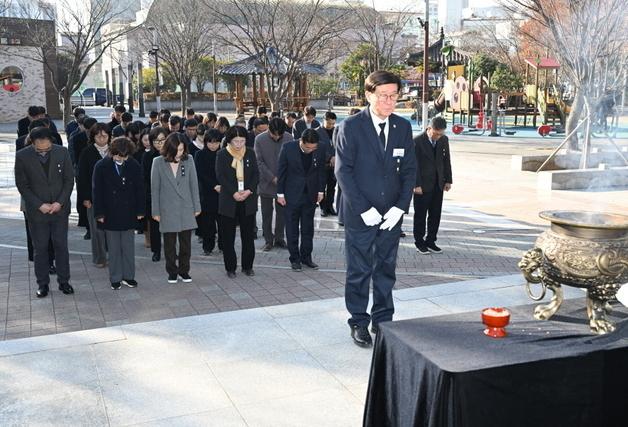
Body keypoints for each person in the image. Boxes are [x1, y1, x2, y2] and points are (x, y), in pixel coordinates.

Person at [334, 70, 416, 347]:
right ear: (369, 95)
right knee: (358, 270)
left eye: (394, 96)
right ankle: (359, 321)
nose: (389, 101)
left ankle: (383, 320)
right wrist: (363, 208)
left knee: (385, 268)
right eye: (383, 96)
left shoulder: (403, 128)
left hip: (390, 215)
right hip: (361, 214)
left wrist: (400, 208)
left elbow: (409, 171)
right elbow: (343, 172)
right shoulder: (351, 127)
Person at [14, 126, 75, 298]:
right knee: (40, 248)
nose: (44, 150)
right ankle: (42, 284)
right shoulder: (22, 156)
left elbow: (69, 180)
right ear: (32, 143)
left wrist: (60, 202)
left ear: (51, 141)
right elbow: (22, 185)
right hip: (37, 212)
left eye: (47, 147)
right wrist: (39, 204)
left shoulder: (62, 153)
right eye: (40, 148)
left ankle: (64, 282)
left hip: (60, 210)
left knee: (61, 246)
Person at [92, 137, 144, 290]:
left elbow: (140, 189)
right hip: (110, 212)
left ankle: (129, 276)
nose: (121, 159)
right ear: (112, 152)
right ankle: (115, 277)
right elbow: (97, 191)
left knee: (128, 247)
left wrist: (141, 210)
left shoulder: (133, 165)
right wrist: (99, 213)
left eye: (125, 156)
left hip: (129, 211)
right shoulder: (101, 166)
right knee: (113, 248)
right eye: (118, 156)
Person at [151, 132, 201, 283]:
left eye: (182, 149)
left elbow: (194, 185)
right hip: (167, 209)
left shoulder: (189, 160)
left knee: (186, 244)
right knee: (169, 245)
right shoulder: (158, 162)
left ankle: (184, 271)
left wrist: (197, 206)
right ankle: (172, 271)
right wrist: (156, 211)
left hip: (186, 208)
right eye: (177, 150)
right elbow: (155, 189)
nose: (180, 153)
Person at [277, 129, 326, 271]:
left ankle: (306, 257)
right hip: (291, 195)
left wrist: (321, 190)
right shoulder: (288, 148)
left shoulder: (320, 147)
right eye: (307, 147)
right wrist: (280, 194)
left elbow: (321, 171)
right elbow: (281, 171)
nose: (311, 150)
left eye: (313, 148)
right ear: (301, 141)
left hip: (310, 195)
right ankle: (295, 259)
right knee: (292, 229)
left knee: (308, 228)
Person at [215, 126, 259, 278]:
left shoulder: (250, 153)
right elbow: (221, 176)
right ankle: (230, 267)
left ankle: (248, 266)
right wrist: (233, 192)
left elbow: (255, 175)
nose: (239, 144)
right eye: (236, 141)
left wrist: (249, 190)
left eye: (242, 141)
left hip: (248, 200)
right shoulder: (222, 154)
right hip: (229, 200)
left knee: (248, 236)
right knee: (228, 237)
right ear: (229, 140)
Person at [413, 117, 452, 254]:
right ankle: (419, 242)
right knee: (420, 215)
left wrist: (448, 180)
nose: (438, 136)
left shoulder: (443, 140)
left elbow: (446, 160)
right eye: (436, 133)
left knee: (435, 214)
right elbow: (413, 166)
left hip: (438, 183)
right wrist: (416, 184)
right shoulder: (417, 141)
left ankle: (431, 241)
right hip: (422, 185)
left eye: (441, 133)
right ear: (429, 128)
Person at [254, 117, 291, 251]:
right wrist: (271, 177)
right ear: (269, 130)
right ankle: (268, 240)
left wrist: (283, 177)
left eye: (279, 135)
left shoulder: (289, 138)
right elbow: (259, 162)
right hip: (266, 183)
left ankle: (280, 238)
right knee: (266, 213)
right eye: (273, 134)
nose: (276, 137)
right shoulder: (259, 139)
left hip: (283, 183)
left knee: (282, 213)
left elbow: (291, 160)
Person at [77, 122, 110, 268]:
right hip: (93, 197)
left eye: (105, 135)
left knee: (112, 230)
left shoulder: (115, 150)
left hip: (113, 198)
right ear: (93, 136)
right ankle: (100, 258)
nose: (102, 138)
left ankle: (113, 255)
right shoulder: (87, 152)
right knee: (96, 230)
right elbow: (82, 177)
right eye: (98, 135)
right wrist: (85, 198)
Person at [194, 129, 223, 255]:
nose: (213, 145)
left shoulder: (223, 154)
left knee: (223, 223)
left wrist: (222, 185)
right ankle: (208, 247)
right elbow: (200, 173)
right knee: (208, 223)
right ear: (205, 142)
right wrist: (214, 185)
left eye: (216, 142)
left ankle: (223, 245)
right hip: (206, 193)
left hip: (223, 193)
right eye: (210, 142)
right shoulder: (200, 155)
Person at [143, 127, 168, 262]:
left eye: (162, 140)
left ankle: (171, 250)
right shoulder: (147, 156)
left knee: (171, 225)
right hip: (153, 195)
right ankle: (156, 250)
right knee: (155, 226)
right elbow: (145, 178)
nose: (159, 143)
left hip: (170, 196)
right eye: (156, 141)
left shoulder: (172, 155)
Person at [316, 111, 337, 217]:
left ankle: (330, 206)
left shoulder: (337, 131)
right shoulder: (316, 132)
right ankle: (323, 207)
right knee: (321, 187)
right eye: (329, 123)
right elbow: (317, 148)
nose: (331, 126)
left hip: (334, 165)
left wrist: (335, 157)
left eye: (333, 123)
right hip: (322, 164)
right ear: (323, 121)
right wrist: (329, 157)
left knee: (332, 187)